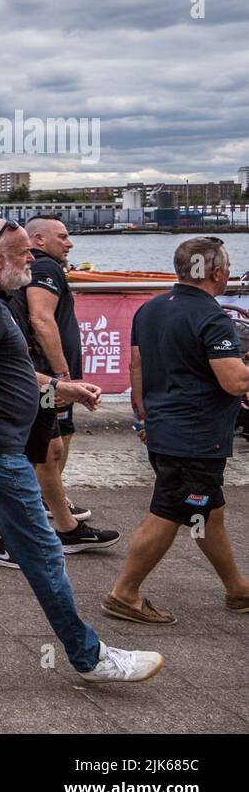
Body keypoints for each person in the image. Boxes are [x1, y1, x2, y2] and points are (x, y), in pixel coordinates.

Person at [0, 218, 164, 683]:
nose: (32, 260)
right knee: (43, 553)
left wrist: (61, 386)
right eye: (24, 253)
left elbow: (8, 372)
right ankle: (90, 657)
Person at [103, 237, 249, 624]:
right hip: (196, 436)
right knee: (170, 510)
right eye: (228, 265)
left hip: (165, 428)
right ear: (216, 272)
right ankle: (124, 593)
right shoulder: (212, 316)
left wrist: (144, 417)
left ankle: (238, 590)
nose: (229, 272)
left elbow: (136, 367)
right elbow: (235, 382)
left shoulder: (150, 309)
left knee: (208, 512)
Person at [0, 216, 115, 565]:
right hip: (46, 375)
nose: (70, 243)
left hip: (45, 375)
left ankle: (57, 518)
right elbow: (41, 318)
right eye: (62, 237)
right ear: (38, 240)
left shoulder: (34, 269)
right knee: (44, 448)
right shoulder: (47, 269)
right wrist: (62, 376)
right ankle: (2, 537)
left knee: (52, 444)